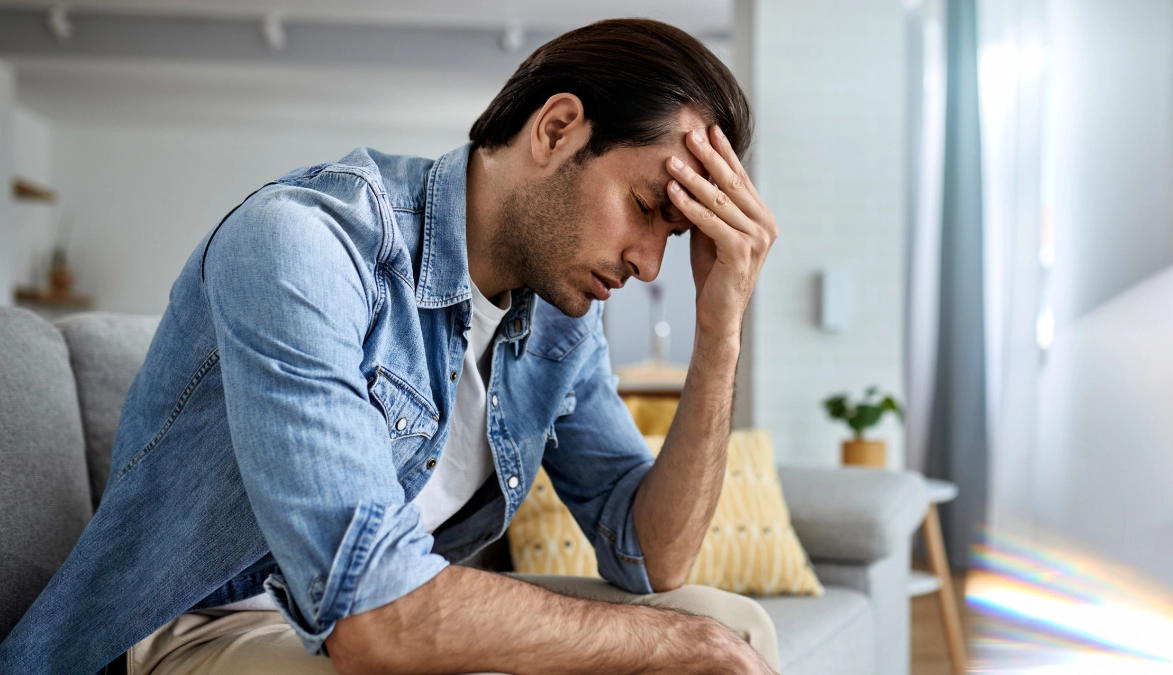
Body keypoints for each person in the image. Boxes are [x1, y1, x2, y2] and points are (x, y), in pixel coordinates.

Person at [0, 17, 779, 675]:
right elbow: (372, 616)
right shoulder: (307, 244)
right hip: (192, 625)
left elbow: (651, 558)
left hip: (364, 616)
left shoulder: (559, 321)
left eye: (672, 237)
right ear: (555, 129)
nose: (649, 264)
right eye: (645, 206)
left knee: (733, 624)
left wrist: (722, 329)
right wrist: (661, 641)